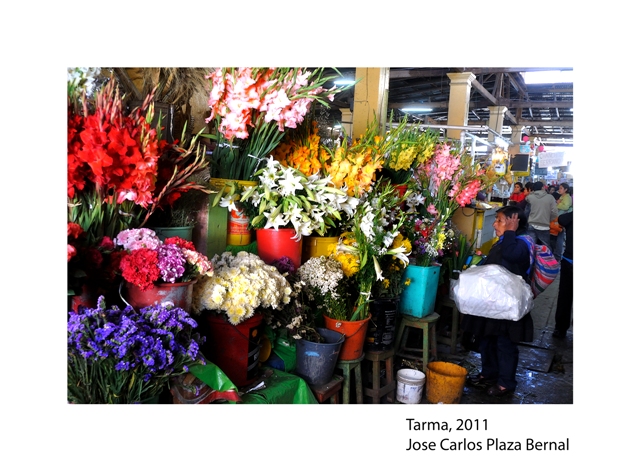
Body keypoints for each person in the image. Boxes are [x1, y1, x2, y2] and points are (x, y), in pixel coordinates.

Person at [462, 205, 534, 397]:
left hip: (508, 308)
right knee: (486, 339)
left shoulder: (522, 243)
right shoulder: (504, 241)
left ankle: (506, 383)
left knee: (505, 345)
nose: (494, 224)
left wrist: (510, 232)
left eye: (500, 220)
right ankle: (489, 373)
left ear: (514, 222)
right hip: (492, 305)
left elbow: (511, 255)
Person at [553, 207, 573, 339]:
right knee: (565, 295)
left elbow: (562, 219)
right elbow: (561, 219)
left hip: (570, 261)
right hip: (569, 261)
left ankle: (560, 328)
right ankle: (560, 327)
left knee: (565, 295)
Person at [525, 181, 558, 249]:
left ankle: (531, 259)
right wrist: (548, 219)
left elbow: (526, 212)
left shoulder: (530, 197)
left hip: (531, 224)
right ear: (542, 187)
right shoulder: (550, 197)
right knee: (546, 247)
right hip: (544, 226)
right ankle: (547, 259)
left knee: (531, 246)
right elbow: (554, 212)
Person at [553, 182, 573, 260]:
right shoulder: (562, 197)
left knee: (560, 237)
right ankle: (557, 254)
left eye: (561, 188)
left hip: (563, 220)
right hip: (559, 218)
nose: (559, 189)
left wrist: (558, 204)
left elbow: (566, 207)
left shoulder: (567, 197)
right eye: (559, 188)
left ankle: (558, 255)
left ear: (566, 189)